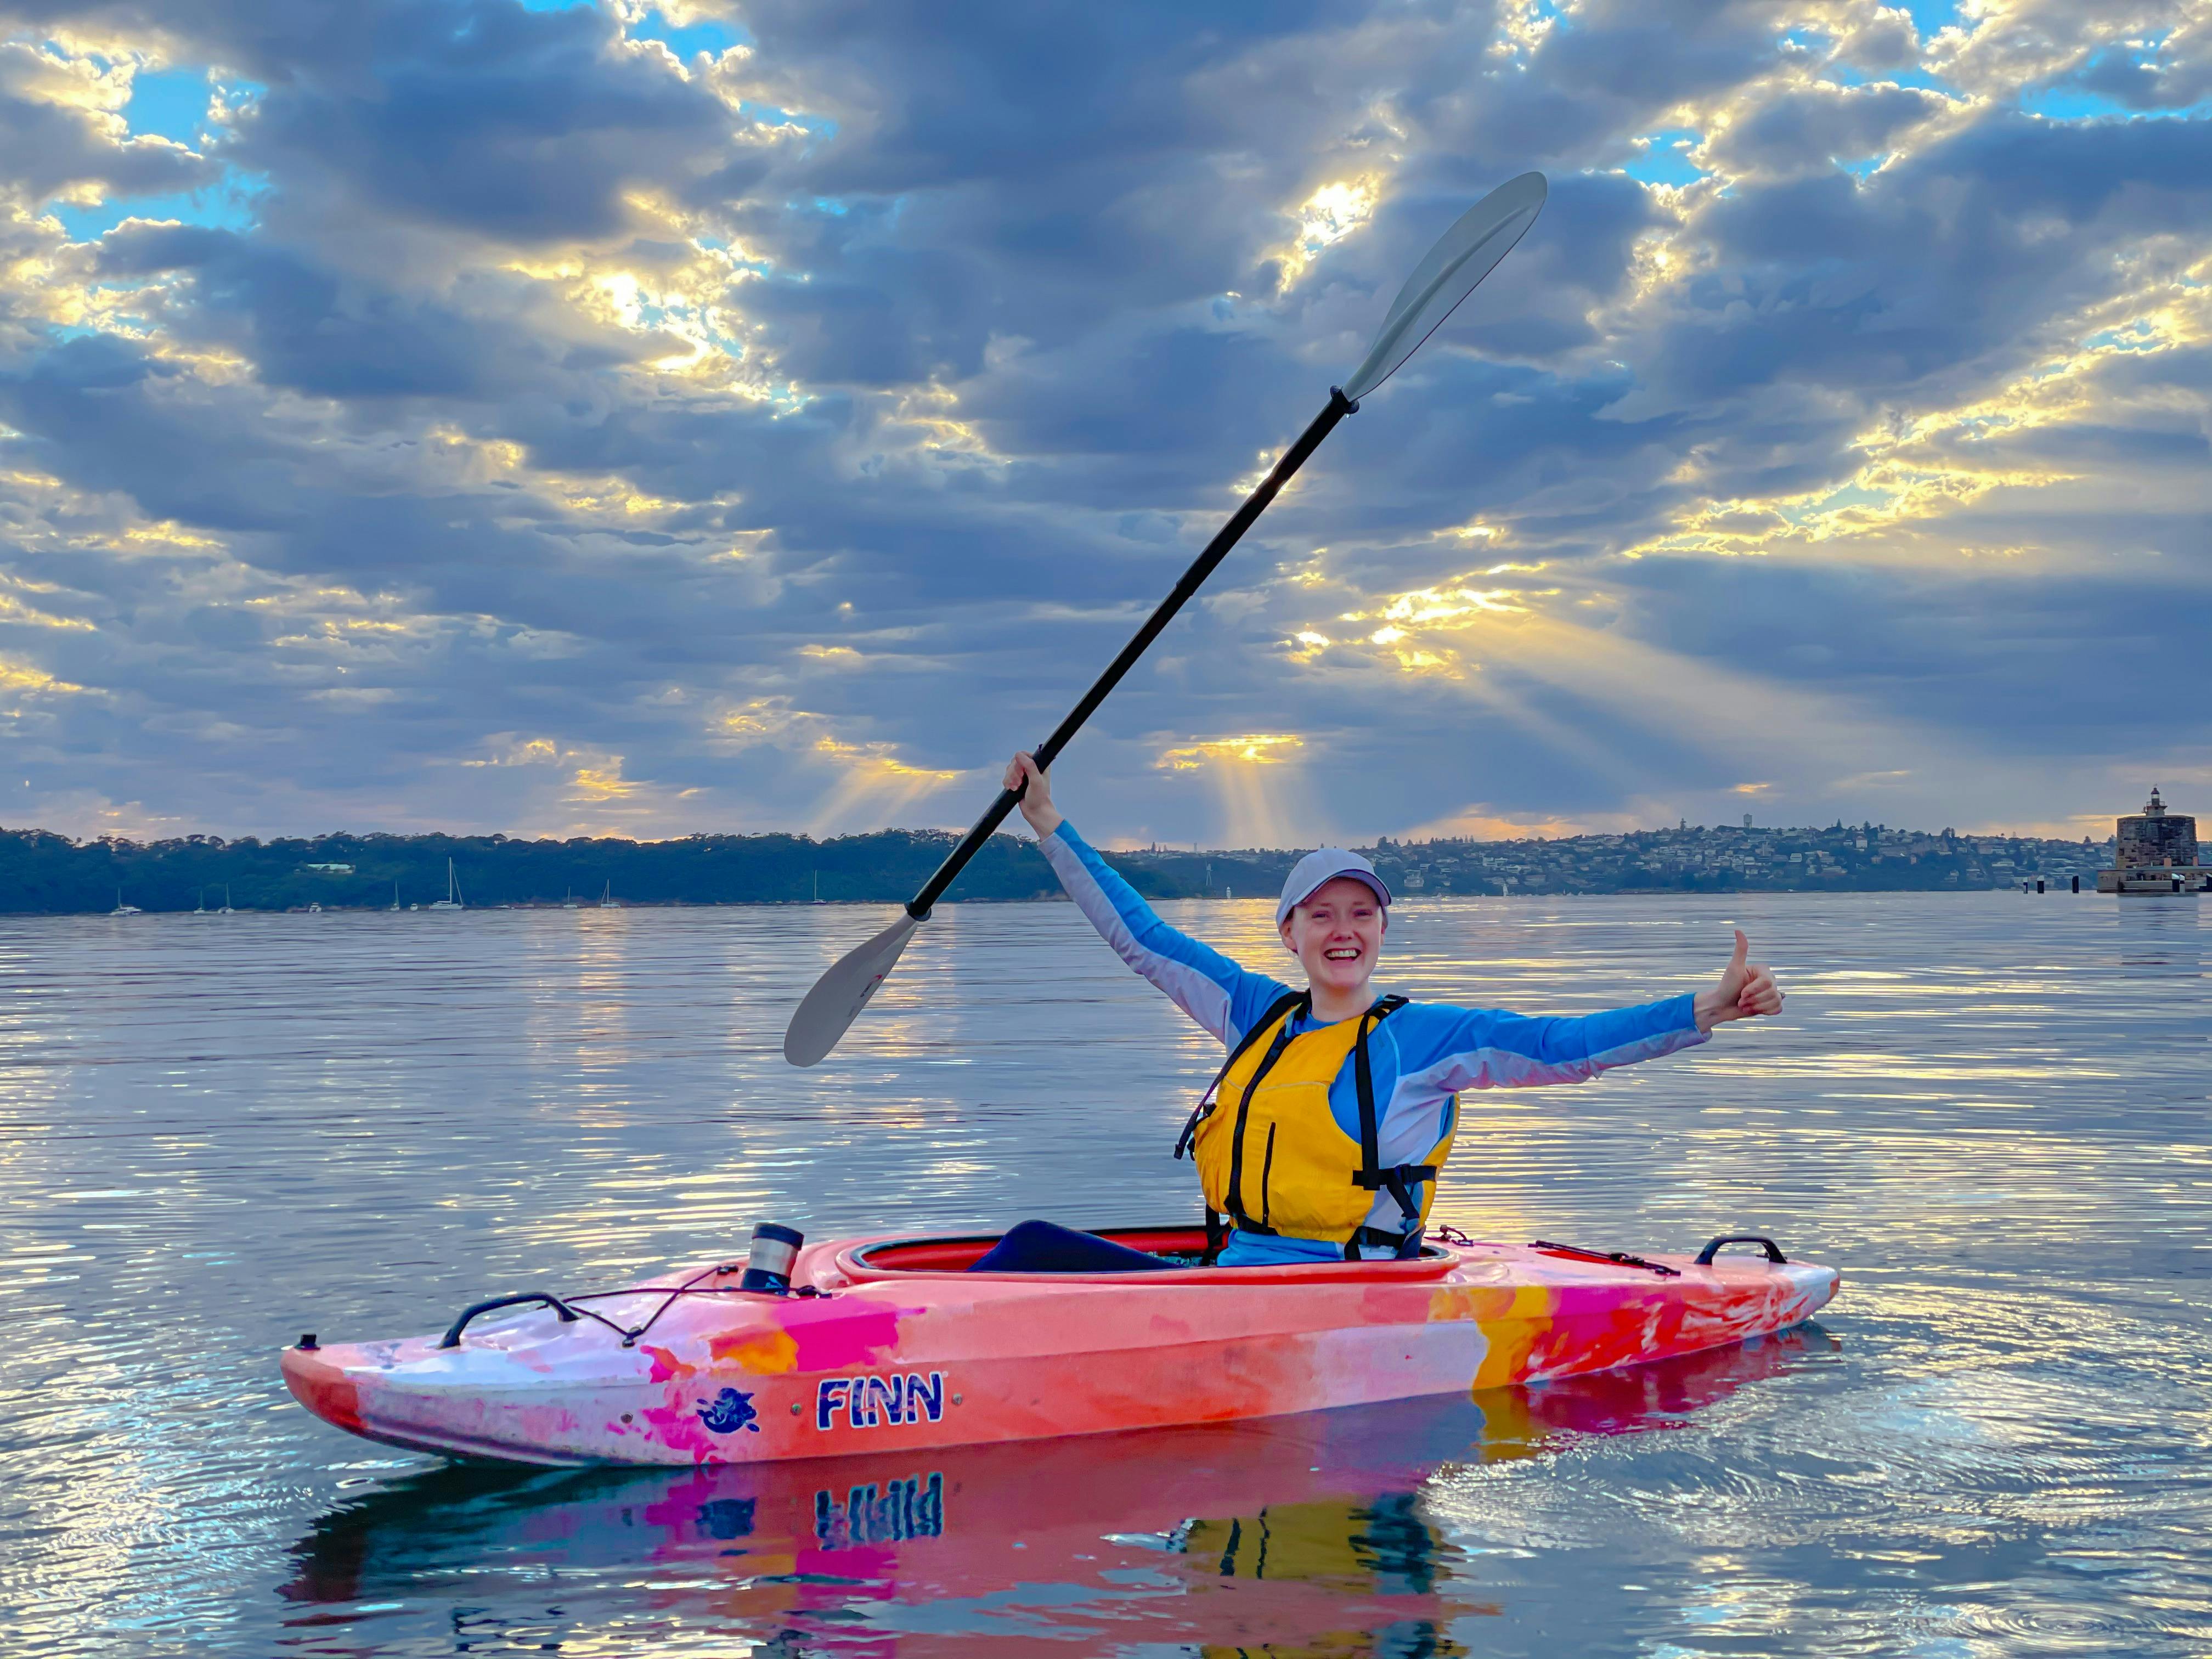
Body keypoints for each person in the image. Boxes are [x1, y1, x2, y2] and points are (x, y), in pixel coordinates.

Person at [984, 749, 1785, 1269]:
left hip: (1346, 1292)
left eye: (1361, 914)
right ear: (1290, 933)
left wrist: (1704, 1008)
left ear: (1381, 930)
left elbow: (1563, 1045)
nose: (1343, 931)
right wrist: (1048, 823)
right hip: (1231, 1276)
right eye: (1322, 915)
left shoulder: (1423, 1039)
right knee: (1027, 1248)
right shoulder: (1253, 1014)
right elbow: (1144, 937)